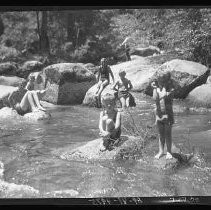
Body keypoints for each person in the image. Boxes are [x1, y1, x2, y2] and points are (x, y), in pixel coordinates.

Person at [151, 72, 175, 160]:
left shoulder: (170, 90)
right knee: (161, 134)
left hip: (168, 115)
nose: (161, 83)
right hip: (159, 114)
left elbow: (163, 96)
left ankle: (169, 151)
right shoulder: (156, 89)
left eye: (163, 81)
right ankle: (161, 151)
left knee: (168, 134)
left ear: (167, 81)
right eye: (159, 81)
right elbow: (155, 98)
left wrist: (163, 87)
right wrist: (154, 88)